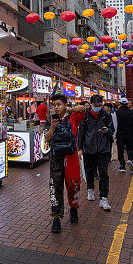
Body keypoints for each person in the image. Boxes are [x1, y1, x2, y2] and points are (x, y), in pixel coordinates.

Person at [45, 94, 87, 233]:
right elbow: (46, 139)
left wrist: (69, 111)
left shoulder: (73, 117)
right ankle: (56, 218)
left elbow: (82, 108)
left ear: (65, 105)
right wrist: (52, 127)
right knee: (55, 188)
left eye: (59, 104)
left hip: (71, 157)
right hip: (56, 158)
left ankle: (74, 208)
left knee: (73, 185)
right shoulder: (51, 119)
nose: (56, 107)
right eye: (54, 105)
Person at [77, 94, 115, 210]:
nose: (98, 107)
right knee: (90, 171)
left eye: (100, 105)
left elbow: (112, 130)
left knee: (103, 173)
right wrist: (79, 148)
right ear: (91, 104)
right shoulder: (85, 115)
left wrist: (107, 130)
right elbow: (81, 132)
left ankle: (104, 198)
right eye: (96, 105)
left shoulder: (106, 115)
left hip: (104, 149)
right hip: (89, 148)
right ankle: (90, 190)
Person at [113, 97, 133, 172]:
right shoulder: (132, 112)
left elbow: (115, 125)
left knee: (120, 149)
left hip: (120, 134)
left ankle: (122, 166)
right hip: (130, 133)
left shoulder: (116, 112)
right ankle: (130, 159)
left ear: (120, 104)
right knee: (130, 148)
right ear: (127, 104)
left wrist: (114, 135)